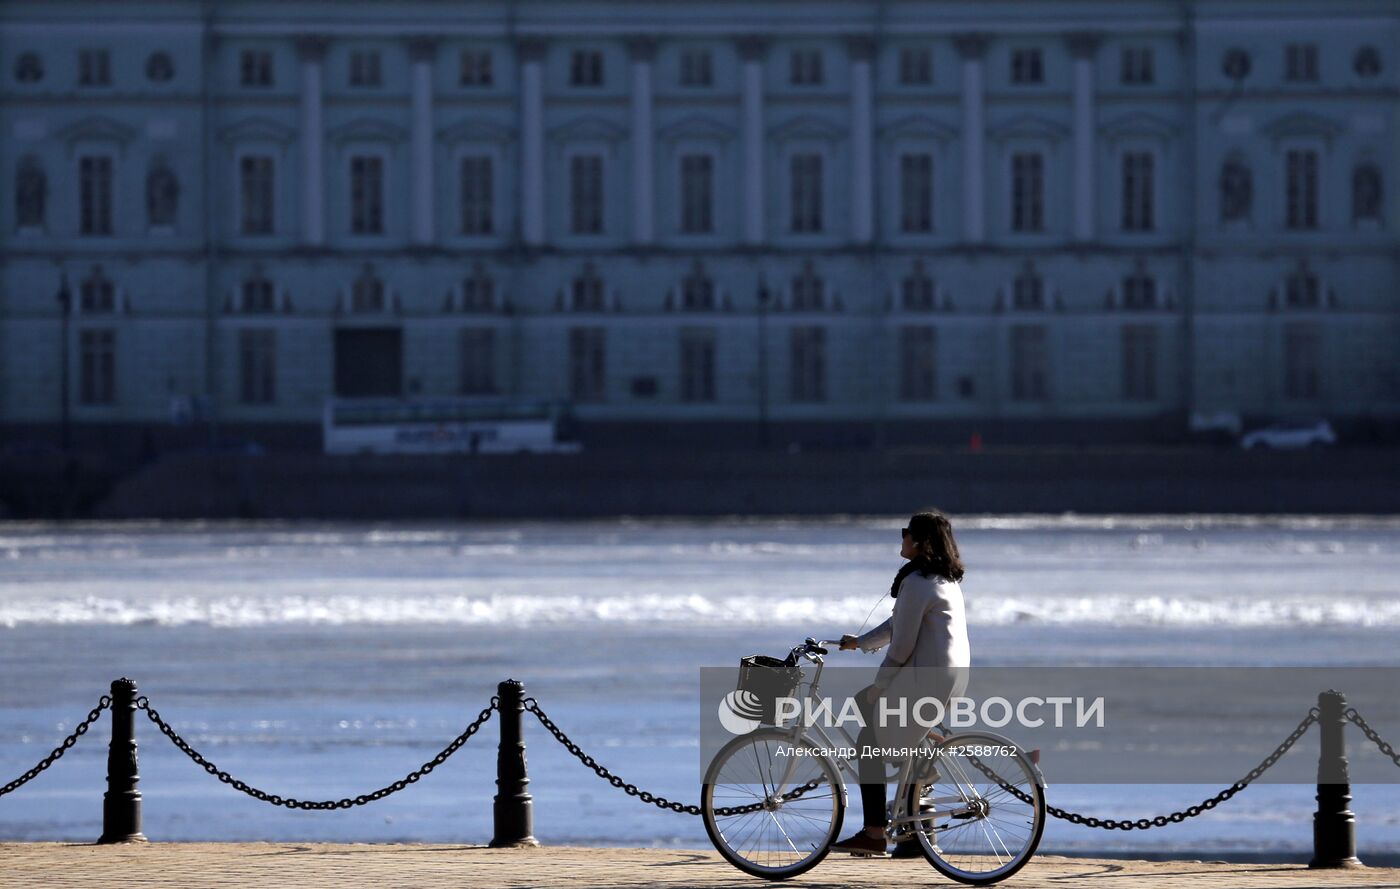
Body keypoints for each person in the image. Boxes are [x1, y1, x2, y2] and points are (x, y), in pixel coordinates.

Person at [829, 510, 972, 857]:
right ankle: (910, 804)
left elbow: (902, 645)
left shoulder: (917, 582)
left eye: (906, 532)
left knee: (867, 742)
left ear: (921, 542)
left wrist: (881, 683)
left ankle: (875, 832)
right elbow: (896, 625)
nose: (902, 537)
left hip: (926, 678)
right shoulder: (939, 579)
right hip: (950, 677)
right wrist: (859, 643)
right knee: (867, 706)